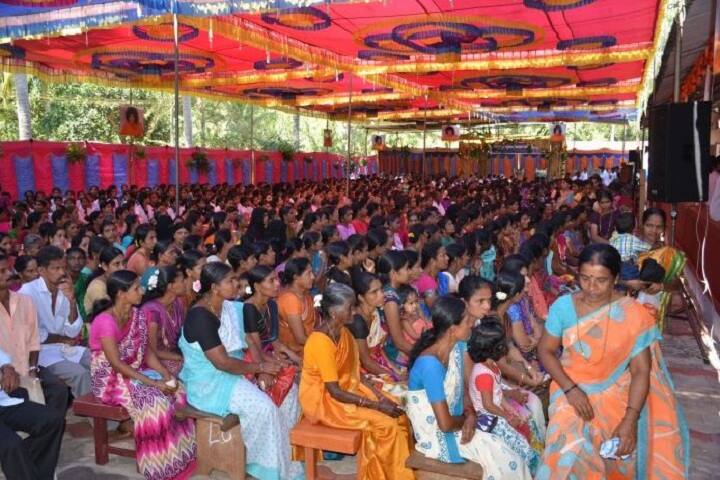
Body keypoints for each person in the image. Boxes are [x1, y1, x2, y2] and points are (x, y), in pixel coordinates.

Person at [536, 243, 689, 479]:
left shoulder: (633, 313)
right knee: (566, 453)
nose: (591, 287)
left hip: (617, 393)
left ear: (616, 278)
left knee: (618, 458)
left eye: (601, 280)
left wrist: (630, 419)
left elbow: (641, 371)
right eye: (585, 279)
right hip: (569, 389)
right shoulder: (563, 307)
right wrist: (571, 389)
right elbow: (545, 350)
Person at [179, 262, 303, 480]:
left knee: (289, 393)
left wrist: (264, 366)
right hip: (211, 383)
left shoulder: (231, 307)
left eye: (236, 278)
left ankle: (288, 461)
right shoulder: (200, 317)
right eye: (230, 281)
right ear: (215, 288)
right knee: (264, 408)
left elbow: (249, 340)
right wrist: (260, 368)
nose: (237, 284)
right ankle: (261, 470)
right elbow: (222, 363)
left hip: (236, 370)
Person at [406, 295, 531, 479]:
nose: (472, 324)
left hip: (459, 421)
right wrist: (468, 418)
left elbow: (463, 391)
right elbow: (446, 424)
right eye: (467, 321)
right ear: (452, 329)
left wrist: (470, 413)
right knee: (506, 460)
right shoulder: (430, 365)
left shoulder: (455, 349)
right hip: (437, 436)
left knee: (515, 447)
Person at [300, 283, 414, 480]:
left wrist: (380, 397)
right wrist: (376, 405)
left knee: (399, 414)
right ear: (334, 312)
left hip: (348, 391)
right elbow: (334, 391)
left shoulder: (344, 333)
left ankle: (392, 472)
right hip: (325, 402)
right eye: (350, 307)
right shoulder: (320, 341)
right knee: (387, 426)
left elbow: (355, 374)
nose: (354, 310)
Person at [88, 270, 196, 480]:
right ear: (120, 293)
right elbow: (116, 364)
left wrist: (165, 375)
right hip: (109, 378)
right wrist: (153, 384)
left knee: (179, 391)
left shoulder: (138, 314)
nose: (142, 291)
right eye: (136, 288)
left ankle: (181, 457)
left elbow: (147, 353)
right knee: (155, 403)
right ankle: (159, 465)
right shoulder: (105, 321)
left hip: (133, 370)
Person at [467, 321, 542, 475]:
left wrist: (509, 410)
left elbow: (497, 395)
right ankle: (532, 472)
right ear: (495, 348)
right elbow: (488, 404)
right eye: (503, 344)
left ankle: (531, 469)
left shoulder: (492, 366)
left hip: (497, 412)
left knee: (525, 426)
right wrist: (508, 416)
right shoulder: (483, 374)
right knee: (520, 444)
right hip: (487, 419)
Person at [20, 245, 91, 398]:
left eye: (63, 267)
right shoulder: (27, 292)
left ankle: (108, 406)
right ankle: (96, 418)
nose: (62, 272)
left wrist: (72, 301)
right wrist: (61, 339)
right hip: (38, 353)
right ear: (41, 270)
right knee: (79, 374)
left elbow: (72, 331)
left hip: (62, 347)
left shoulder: (64, 289)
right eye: (56, 268)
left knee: (98, 361)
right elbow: (34, 336)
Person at [0, 347, 65, 480]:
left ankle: (37, 475)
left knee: (52, 420)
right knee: (11, 444)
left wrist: (6, 366)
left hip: (3, 402)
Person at [138, 266, 186, 376]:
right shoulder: (152, 312)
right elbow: (152, 351)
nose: (185, 283)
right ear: (170, 286)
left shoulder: (177, 303)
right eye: (182, 281)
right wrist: (180, 357)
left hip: (174, 352)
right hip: (154, 359)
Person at [277, 257, 316, 356]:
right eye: (308, 273)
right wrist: (323, 345)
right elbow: (300, 338)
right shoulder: (290, 300)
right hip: (296, 354)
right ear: (296, 277)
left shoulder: (306, 295)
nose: (313, 277)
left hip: (309, 347)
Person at [609, 212, 651, 282]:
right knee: (634, 283)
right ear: (634, 228)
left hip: (614, 267)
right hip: (627, 267)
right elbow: (648, 248)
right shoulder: (632, 239)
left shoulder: (613, 239)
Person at [84, 246, 125, 315]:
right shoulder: (97, 287)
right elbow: (106, 314)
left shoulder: (118, 280)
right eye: (117, 264)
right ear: (104, 266)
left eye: (123, 263)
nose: (122, 267)